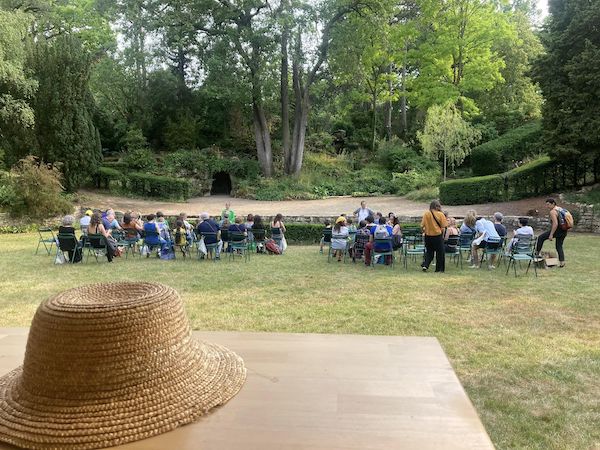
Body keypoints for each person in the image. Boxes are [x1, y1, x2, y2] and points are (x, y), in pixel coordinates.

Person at [536, 198, 568, 267]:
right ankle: (562, 262)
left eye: (548, 205)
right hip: (564, 230)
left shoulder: (553, 211)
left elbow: (555, 224)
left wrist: (551, 234)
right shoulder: (561, 209)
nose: (547, 206)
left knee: (541, 238)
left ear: (553, 203)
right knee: (559, 246)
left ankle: (536, 254)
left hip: (557, 230)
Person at [420, 200, 448, 273]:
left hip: (428, 235)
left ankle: (425, 265)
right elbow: (444, 226)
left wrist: (423, 231)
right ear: (436, 206)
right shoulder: (440, 214)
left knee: (429, 251)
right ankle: (439, 269)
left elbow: (422, 225)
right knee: (440, 252)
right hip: (437, 235)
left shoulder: (426, 214)